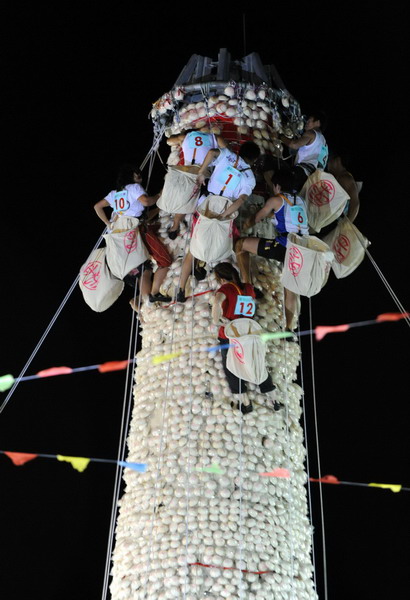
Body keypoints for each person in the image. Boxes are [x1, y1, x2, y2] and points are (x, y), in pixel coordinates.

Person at [176, 141, 260, 303]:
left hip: (205, 205)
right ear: (254, 160)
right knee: (238, 246)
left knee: (193, 248)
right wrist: (225, 215)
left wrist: (201, 173)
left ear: (240, 150)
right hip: (225, 210)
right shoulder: (250, 178)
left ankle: (180, 289)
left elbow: (213, 152)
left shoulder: (228, 155)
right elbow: (241, 200)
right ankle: (246, 285)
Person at [235, 169, 308, 333]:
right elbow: (288, 218)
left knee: (240, 244)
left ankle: (247, 285)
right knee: (290, 291)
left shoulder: (276, 199)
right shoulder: (300, 201)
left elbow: (256, 218)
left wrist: (246, 224)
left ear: (277, 186)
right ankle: (289, 329)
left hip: (284, 247)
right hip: (302, 251)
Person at [94, 164, 172, 304]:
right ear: (130, 176)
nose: (140, 177)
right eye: (137, 174)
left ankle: (147, 299)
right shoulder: (134, 187)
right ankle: (154, 293)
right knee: (164, 260)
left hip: (121, 235)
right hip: (137, 231)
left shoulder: (115, 194)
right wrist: (160, 195)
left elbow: (97, 206)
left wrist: (108, 223)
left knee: (144, 268)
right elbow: (147, 202)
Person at [211, 262, 280, 414]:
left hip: (230, 336)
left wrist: (217, 321)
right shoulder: (248, 288)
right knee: (256, 364)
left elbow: (217, 303)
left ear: (222, 279)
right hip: (249, 334)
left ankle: (246, 403)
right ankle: (274, 399)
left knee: (232, 368)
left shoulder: (226, 288)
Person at [165, 129, 227, 239]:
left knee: (183, 202)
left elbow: (168, 141)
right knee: (205, 201)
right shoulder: (214, 137)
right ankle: (204, 228)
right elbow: (227, 152)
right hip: (204, 174)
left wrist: (180, 137)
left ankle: (175, 227)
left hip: (187, 174)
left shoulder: (184, 138)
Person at [279, 111, 328, 192]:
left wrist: (279, 136)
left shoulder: (312, 133)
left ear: (318, 122)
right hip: (313, 180)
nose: (306, 123)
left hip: (302, 173)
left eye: (309, 121)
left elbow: (294, 145)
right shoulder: (324, 142)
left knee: (277, 179)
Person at [326, 150, 360, 222]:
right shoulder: (337, 178)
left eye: (329, 162)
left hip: (340, 223)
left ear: (337, 160)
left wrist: (347, 224)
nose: (328, 165)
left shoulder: (345, 178)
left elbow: (355, 204)